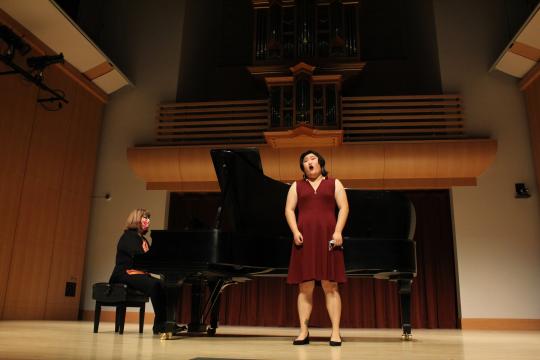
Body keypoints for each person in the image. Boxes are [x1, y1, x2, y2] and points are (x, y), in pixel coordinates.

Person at [285, 150, 349, 346]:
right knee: (305, 287)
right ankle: (303, 331)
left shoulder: (334, 183)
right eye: (305, 160)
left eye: (312, 158)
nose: (309, 162)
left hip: (328, 238)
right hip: (304, 239)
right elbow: (288, 209)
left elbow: (344, 208)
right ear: (303, 167)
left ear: (320, 163)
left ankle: (336, 332)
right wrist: (295, 231)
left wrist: (338, 232)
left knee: (330, 285)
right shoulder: (296, 186)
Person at [109, 208, 178, 335]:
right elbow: (139, 256)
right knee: (155, 284)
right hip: (124, 273)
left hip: (137, 273)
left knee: (165, 285)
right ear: (136, 219)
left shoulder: (143, 239)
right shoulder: (128, 236)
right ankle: (159, 325)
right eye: (144, 218)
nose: (147, 221)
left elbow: (150, 259)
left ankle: (167, 322)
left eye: (148, 218)